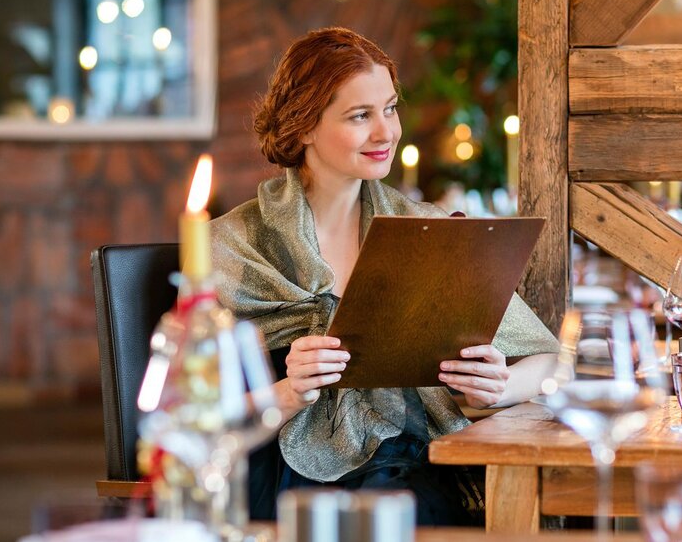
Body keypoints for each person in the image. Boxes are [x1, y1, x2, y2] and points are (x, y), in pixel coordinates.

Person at [210, 27, 559, 524]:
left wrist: (497, 386)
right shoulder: (230, 247)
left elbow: (548, 361)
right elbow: (190, 418)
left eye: (390, 109)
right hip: (281, 480)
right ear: (304, 125)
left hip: (416, 471)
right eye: (360, 116)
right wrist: (290, 391)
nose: (386, 132)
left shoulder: (430, 233)